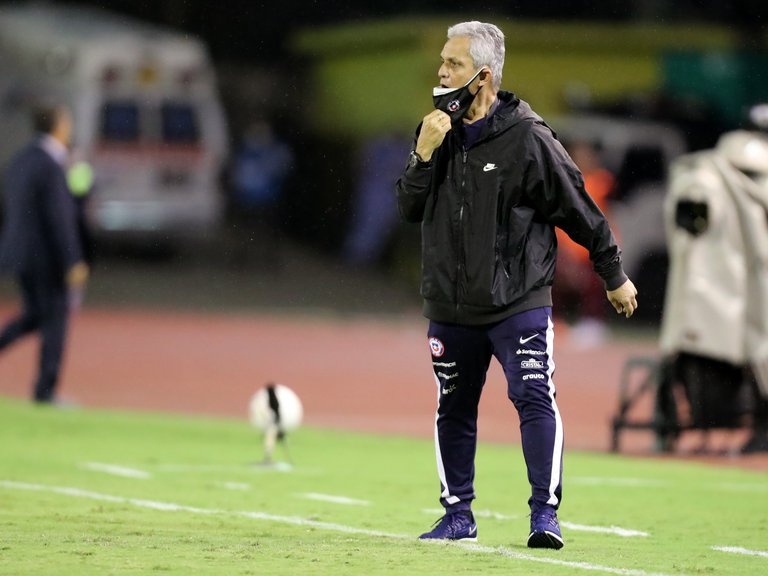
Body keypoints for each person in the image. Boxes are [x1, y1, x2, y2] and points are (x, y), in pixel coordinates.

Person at [395, 21, 637, 549]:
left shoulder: (527, 136)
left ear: (482, 77)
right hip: (451, 303)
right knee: (453, 406)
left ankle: (544, 515)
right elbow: (408, 207)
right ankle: (458, 515)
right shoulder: (436, 131)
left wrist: (611, 272)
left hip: (516, 300)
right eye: (442, 61)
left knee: (532, 397)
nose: (440, 72)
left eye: (452, 64)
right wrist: (422, 154)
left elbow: (579, 206)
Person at [659, 102, 768, 454]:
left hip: (713, 294)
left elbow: (686, 226)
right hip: (738, 290)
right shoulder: (709, 174)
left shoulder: (702, 170)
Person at [0, 104, 89, 404]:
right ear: (58, 126)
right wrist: (72, 259)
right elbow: (59, 217)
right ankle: (46, 391)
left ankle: (44, 389)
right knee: (56, 318)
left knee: (36, 314)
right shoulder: (52, 165)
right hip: (46, 256)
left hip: (20, 252)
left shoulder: (20, 159)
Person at [553, 140, 618, 346]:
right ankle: (555, 321)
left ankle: (592, 323)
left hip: (588, 248)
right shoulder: (561, 181)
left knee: (595, 281)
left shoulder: (601, 181)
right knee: (551, 278)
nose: (582, 160)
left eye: (586, 156)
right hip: (564, 248)